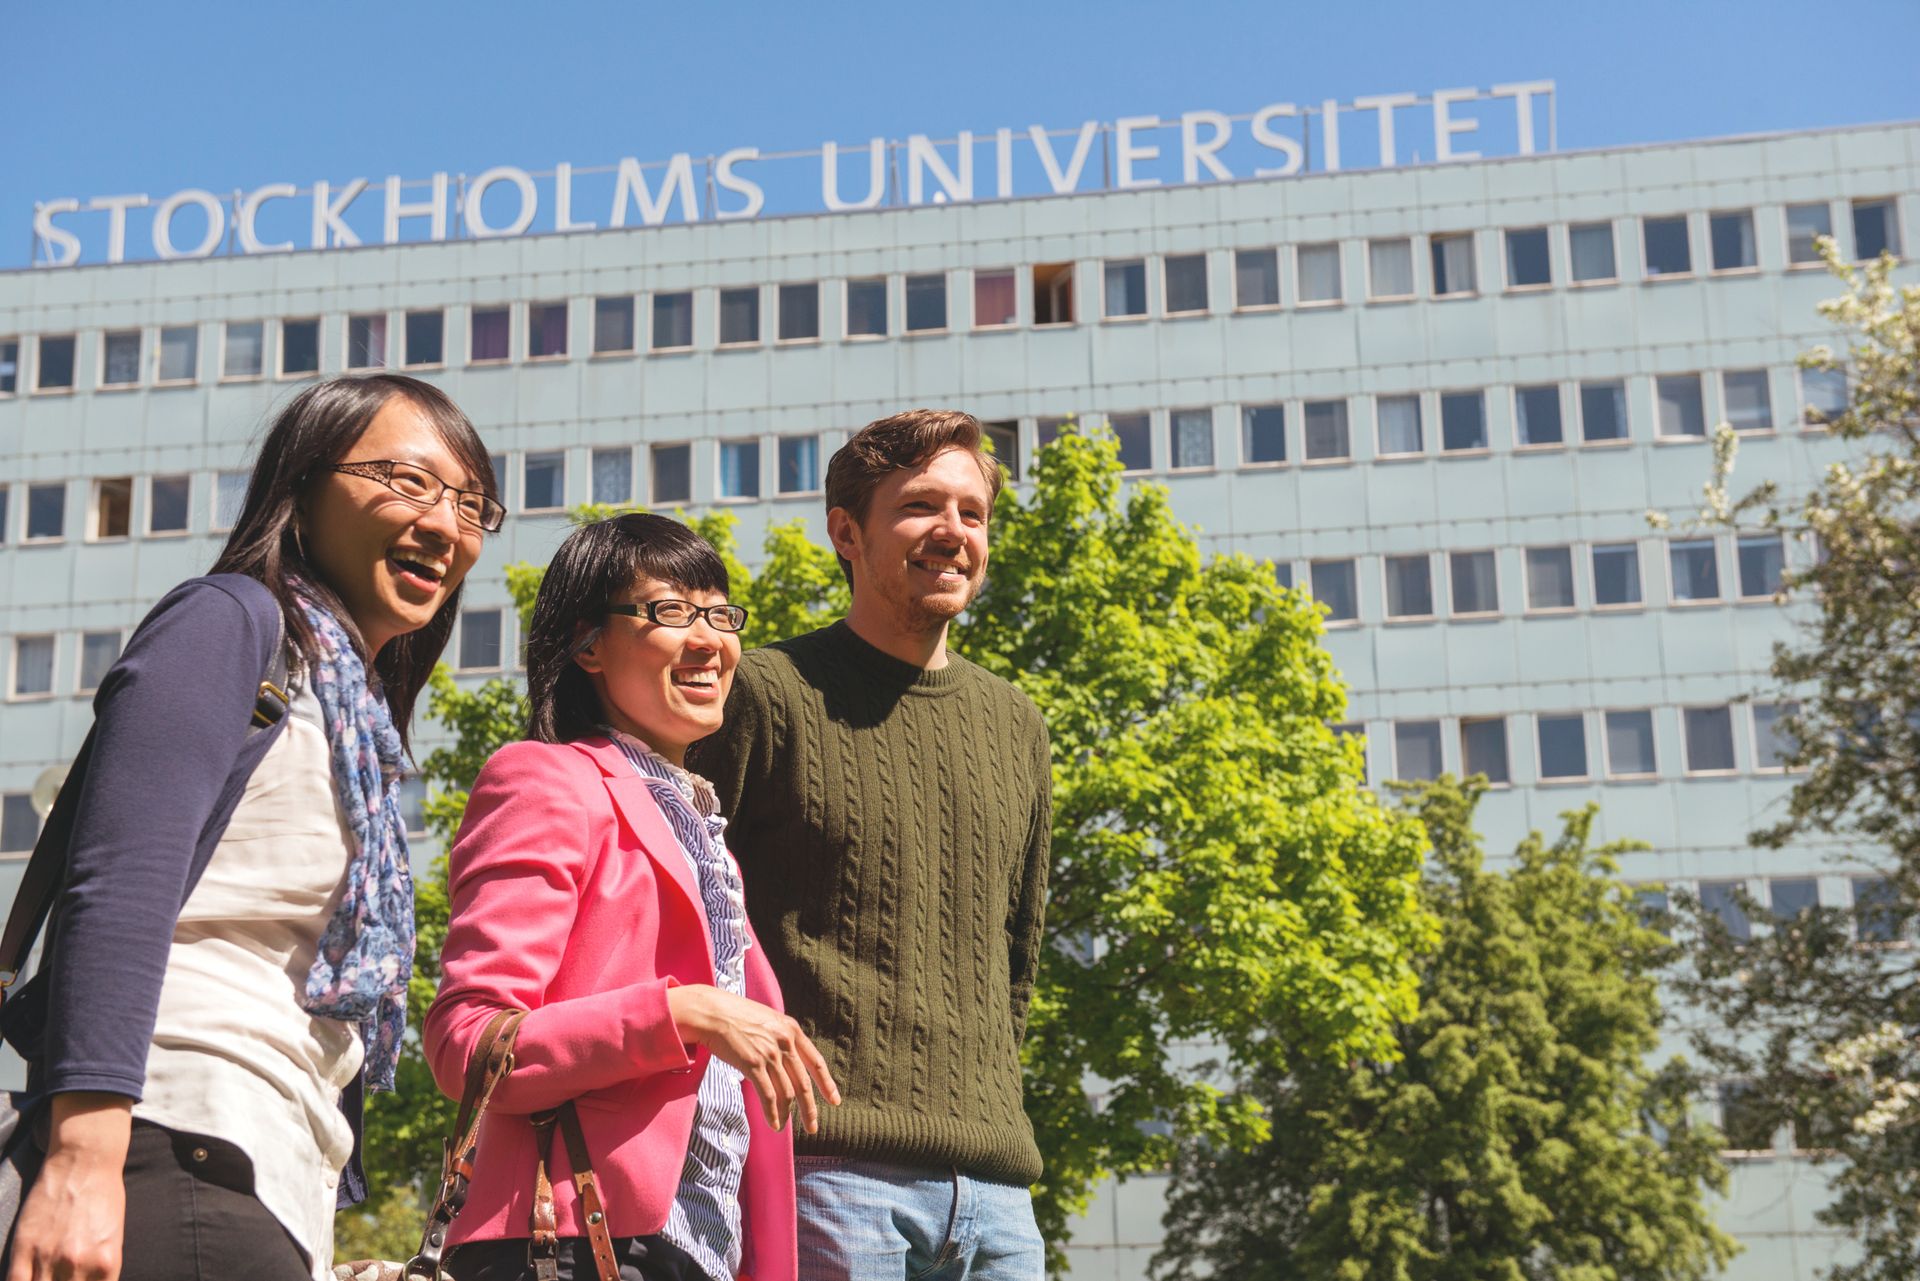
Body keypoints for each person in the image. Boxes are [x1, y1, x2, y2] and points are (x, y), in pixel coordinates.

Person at [4, 375, 499, 1281]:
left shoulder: (353, 713)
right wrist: (82, 1158)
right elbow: (118, 886)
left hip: (260, 1166)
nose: (446, 523)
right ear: (305, 483)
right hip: (169, 1129)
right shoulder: (229, 620)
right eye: (408, 480)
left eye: (472, 503)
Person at [425, 512, 839, 1281]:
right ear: (587, 645)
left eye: (721, 613)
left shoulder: (700, 825)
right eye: (671, 612)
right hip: (572, 1241)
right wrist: (681, 1011)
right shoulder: (546, 779)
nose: (709, 638)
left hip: (698, 1250)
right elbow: (470, 1040)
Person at [687, 409, 1052, 1280]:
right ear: (846, 532)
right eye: (922, 506)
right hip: (825, 1169)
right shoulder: (766, 692)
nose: (953, 532)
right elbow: (685, 912)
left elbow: (1018, 955)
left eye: (973, 512)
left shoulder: (1018, 724)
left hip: (1001, 1189)